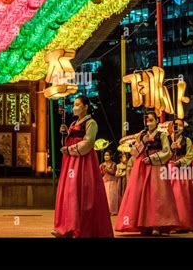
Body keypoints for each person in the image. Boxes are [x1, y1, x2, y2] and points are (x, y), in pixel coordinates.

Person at [52, 95, 113, 238]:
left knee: (81, 192)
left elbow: (88, 142)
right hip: (70, 161)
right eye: (74, 104)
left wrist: (69, 149)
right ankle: (67, 227)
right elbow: (67, 142)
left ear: (86, 107)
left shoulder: (91, 123)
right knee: (69, 192)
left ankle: (81, 229)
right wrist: (64, 133)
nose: (75, 107)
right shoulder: (73, 123)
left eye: (78, 104)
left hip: (83, 161)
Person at [115, 110, 180, 236]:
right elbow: (133, 152)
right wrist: (143, 142)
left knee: (156, 195)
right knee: (139, 194)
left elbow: (167, 152)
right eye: (146, 120)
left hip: (155, 165)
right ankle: (143, 224)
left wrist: (152, 158)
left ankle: (157, 224)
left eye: (151, 120)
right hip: (141, 167)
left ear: (156, 121)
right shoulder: (141, 135)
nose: (148, 123)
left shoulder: (162, 135)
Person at [168, 119, 193, 233]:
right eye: (175, 125)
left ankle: (183, 223)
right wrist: (170, 149)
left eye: (180, 125)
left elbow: (189, 156)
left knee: (182, 197)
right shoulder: (166, 139)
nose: (177, 127)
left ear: (183, 127)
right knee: (168, 196)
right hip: (168, 170)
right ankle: (169, 224)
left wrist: (180, 162)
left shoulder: (187, 140)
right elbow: (162, 154)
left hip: (182, 170)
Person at [100, 150, 119, 215]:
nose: (106, 157)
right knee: (105, 197)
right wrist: (102, 169)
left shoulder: (113, 164)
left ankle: (112, 211)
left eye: (107, 155)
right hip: (104, 182)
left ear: (110, 156)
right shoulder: (101, 165)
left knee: (112, 198)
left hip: (112, 182)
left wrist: (106, 168)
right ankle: (105, 210)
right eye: (105, 155)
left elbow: (113, 172)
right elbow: (101, 174)